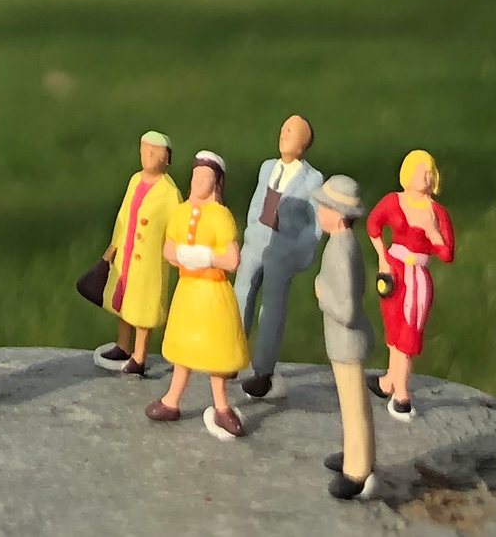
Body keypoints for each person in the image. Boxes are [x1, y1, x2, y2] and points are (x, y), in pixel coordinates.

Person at [147, 150, 250, 440]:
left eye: (205, 177)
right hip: (188, 291)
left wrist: (205, 257)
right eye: (195, 176)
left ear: (216, 183)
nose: (198, 182)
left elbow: (231, 260)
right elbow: (168, 249)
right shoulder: (180, 212)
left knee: (215, 353)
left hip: (212, 293)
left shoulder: (220, 216)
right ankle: (172, 400)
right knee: (184, 350)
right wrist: (181, 255)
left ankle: (222, 406)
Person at [236, 112, 324, 398]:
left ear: (303, 144)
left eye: (291, 131)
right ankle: (230, 353)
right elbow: (256, 201)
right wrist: (250, 231)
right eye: (283, 128)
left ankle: (262, 371)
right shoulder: (267, 167)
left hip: (282, 249)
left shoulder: (312, 179)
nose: (283, 134)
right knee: (241, 295)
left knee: (272, 309)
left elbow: (316, 225)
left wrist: (296, 252)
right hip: (256, 241)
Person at [367, 150, 455, 419]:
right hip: (393, 273)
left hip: (417, 277)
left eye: (429, 172)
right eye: (419, 171)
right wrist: (382, 257)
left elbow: (447, 254)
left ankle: (402, 395)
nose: (424, 177)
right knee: (393, 330)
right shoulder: (394, 201)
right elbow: (373, 225)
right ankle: (389, 382)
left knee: (408, 332)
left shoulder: (436, 212)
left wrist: (432, 232)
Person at [92, 130, 179, 376]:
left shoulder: (169, 193)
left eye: (154, 152)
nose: (147, 156)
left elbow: (176, 226)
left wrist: (176, 252)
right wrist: (113, 247)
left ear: (166, 159)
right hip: (127, 254)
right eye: (144, 150)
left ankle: (139, 357)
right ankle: (122, 344)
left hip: (149, 261)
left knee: (144, 308)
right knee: (124, 301)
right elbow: (123, 216)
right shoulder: (135, 180)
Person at [313, 172, 378, 501]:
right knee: (353, 404)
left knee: (354, 407)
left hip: (346, 341)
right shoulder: (341, 245)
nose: (319, 212)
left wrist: (322, 294)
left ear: (339, 215)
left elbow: (349, 309)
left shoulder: (341, 250)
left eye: (324, 207)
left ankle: (357, 468)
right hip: (343, 342)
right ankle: (357, 455)